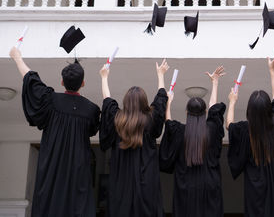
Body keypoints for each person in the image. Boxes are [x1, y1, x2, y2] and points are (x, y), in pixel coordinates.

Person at [9, 46, 100, 217]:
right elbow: (93, 129)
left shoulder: (49, 101)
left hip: (51, 171)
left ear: (61, 82)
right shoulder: (91, 110)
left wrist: (17, 58)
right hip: (77, 174)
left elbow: (31, 80)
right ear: (83, 83)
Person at [99, 59, 169, 217]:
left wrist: (104, 77)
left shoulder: (117, 119)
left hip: (121, 184)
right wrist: (161, 75)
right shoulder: (151, 119)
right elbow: (161, 99)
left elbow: (107, 101)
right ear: (144, 102)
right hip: (147, 183)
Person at [226, 53, 274, 217]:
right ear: (270, 108)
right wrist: (273, 70)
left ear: (249, 111)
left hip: (256, 191)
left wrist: (232, 102)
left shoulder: (244, 130)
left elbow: (229, 125)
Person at [159, 66, 226, 217]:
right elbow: (214, 109)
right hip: (209, 187)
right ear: (205, 112)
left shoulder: (179, 132)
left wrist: (168, 103)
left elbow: (168, 123)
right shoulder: (213, 129)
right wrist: (215, 83)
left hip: (186, 187)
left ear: (186, 112)